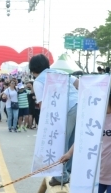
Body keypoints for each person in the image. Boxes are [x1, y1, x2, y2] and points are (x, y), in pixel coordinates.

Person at [30, 54, 79, 184]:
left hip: (66, 111)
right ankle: (67, 172)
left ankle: (61, 176)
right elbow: (78, 83)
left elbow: (43, 107)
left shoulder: (39, 81)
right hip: (80, 105)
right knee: (73, 141)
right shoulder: (61, 72)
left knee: (61, 141)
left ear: (33, 69)